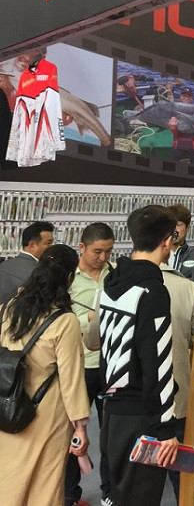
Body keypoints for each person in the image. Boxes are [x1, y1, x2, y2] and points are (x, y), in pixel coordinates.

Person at [85, 205, 179, 506]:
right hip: (142, 417)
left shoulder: (110, 284)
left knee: (120, 496)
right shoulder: (152, 291)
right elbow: (158, 361)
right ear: (167, 241)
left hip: (112, 414)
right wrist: (165, 428)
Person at [0, 244, 91, 506]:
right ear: (69, 278)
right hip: (47, 412)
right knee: (46, 482)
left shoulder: (10, 307)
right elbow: (72, 380)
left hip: (9, 402)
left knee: (9, 475)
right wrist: (80, 427)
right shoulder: (64, 321)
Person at [64, 223, 115, 506]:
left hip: (110, 365)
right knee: (72, 434)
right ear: (81, 247)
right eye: (97, 251)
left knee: (110, 433)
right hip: (79, 366)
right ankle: (71, 494)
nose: (103, 257)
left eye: (108, 251)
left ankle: (109, 491)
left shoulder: (115, 273)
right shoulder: (69, 279)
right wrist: (89, 319)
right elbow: (61, 319)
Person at [159, 256, 194, 501]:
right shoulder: (187, 288)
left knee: (132, 474)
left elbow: (93, 340)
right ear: (167, 244)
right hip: (175, 396)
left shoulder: (114, 283)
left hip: (128, 402)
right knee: (178, 468)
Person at [0, 220, 55, 303]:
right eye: (48, 243)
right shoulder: (41, 272)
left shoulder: (3, 265)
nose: (52, 247)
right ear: (32, 245)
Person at [167, 204, 194, 290]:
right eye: (169, 224)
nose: (173, 229)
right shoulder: (156, 252)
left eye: (178, 224)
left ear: (188, 228)